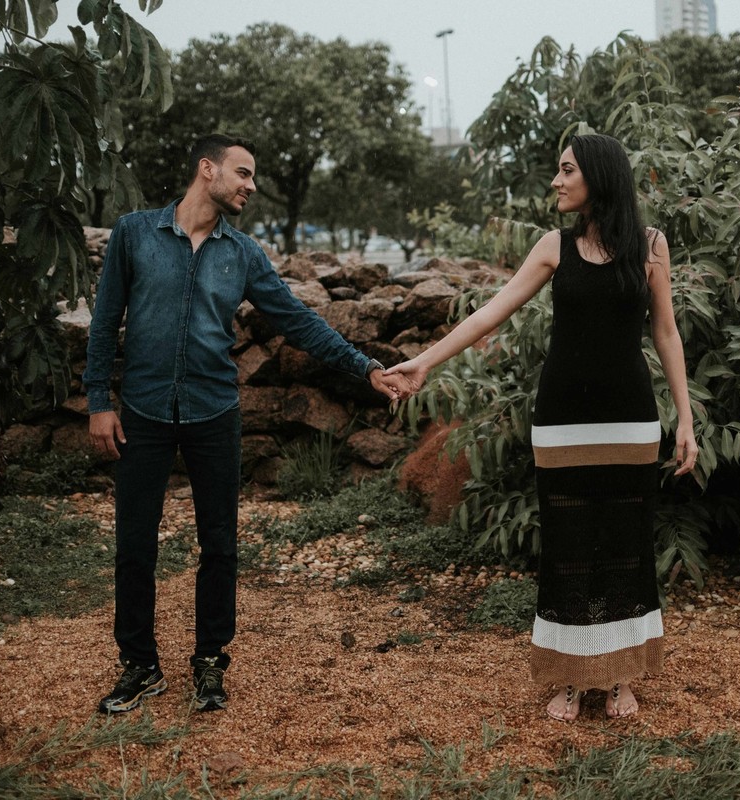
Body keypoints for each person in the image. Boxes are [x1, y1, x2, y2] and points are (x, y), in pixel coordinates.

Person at [84, 133, 411, 714]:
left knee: (220, 545)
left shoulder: (244, 253)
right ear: (207, 169)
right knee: (134, 545)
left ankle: (210, 660)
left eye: (252, 176)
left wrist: (366, 368)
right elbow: (105, 320)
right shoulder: (134, 233)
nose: (251, 186)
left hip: (214, 413)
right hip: (143, 412)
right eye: (243, 173)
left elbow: (297, 321)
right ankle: (139, 665)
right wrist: (97, 402)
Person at [385, 133, 696, 721]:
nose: (556, 180)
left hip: (630, 419)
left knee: (626, 545)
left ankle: (620, 675)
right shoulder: (554, 246)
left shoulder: (651, 246)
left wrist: (686, 418)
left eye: (567, 170)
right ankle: (572, 676)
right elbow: (491, 312)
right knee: (568, 547)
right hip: (562, 419)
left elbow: (666, 332)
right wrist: (423, 362)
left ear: (598, 176)